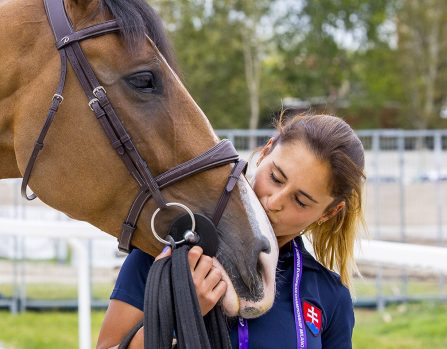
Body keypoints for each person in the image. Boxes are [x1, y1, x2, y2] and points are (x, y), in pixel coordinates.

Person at [97, 112, 366, 349]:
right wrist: (180, 314)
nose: (273, 202)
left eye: (300, 201)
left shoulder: (330, 296)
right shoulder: (168, 253)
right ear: (265, 150)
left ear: (329, 213)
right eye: (275, 178)